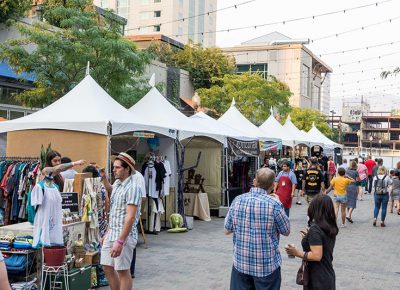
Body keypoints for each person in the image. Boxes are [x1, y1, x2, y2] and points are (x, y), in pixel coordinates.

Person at [224, 168, 290, 290]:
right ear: (272, 185)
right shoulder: (274, 204)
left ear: (254, 181)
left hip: (241, 263)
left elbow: (227, 229)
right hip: (266, 266)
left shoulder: (238, 200)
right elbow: (286, 231)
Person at [100, 153, 142, 290]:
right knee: (107, 267)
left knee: (123, 271)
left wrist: (120, 241)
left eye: (117, 167)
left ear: (127, 169)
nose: (114, 170)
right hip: (112, 232)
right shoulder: (118, 183)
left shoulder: (134, 188)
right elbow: (113, 193)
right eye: (114, 167)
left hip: (124, 236)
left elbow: (130, 217)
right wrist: (105, 179)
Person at [285, 194, 338, 290]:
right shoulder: (329, 226)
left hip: (317, 278)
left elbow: (316, 256)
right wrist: (308, 238)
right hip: (327, 275)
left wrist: (295, 252)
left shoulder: (316, 229)